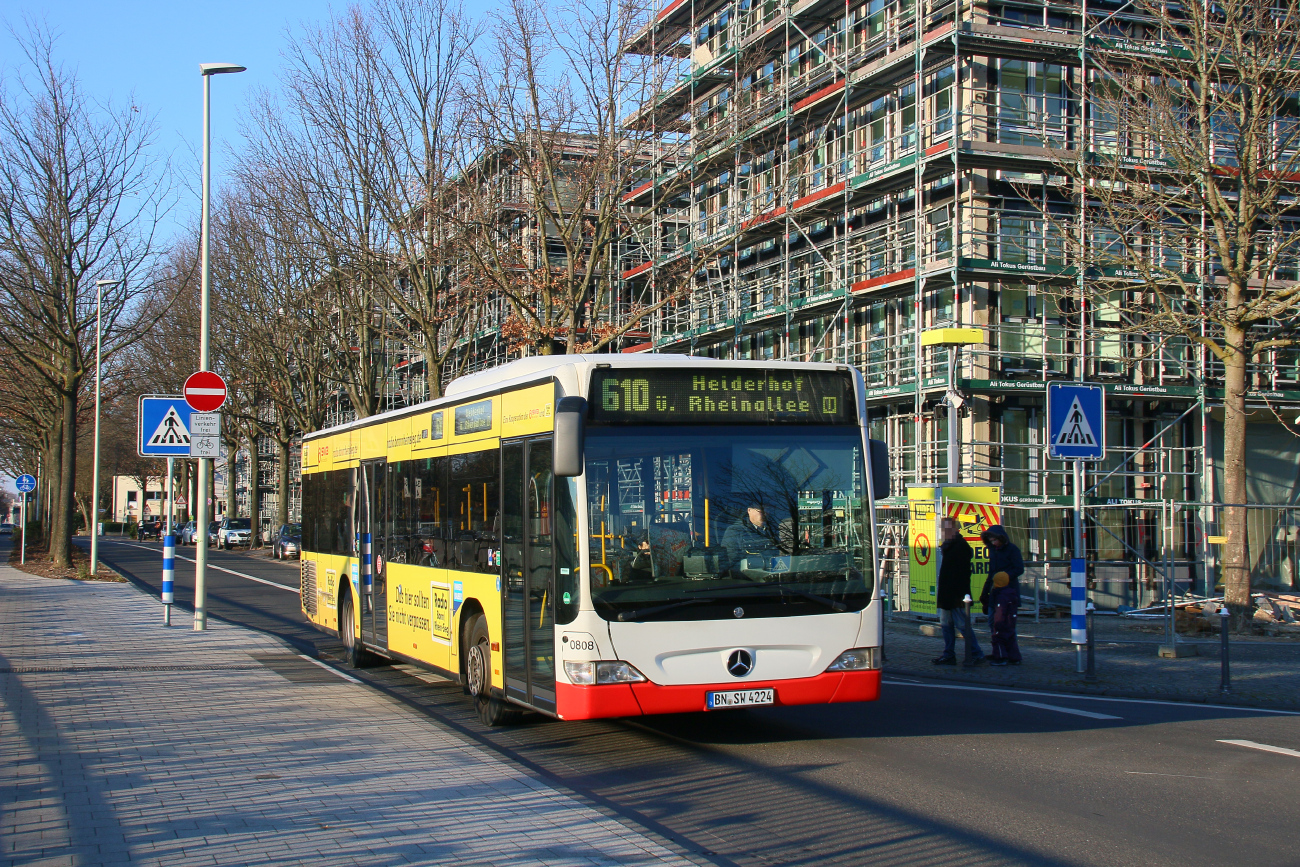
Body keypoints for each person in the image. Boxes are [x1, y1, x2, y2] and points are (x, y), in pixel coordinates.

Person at [932, 516, 985, 667]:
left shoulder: (961, 546)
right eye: (944, 528)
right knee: (946, 624)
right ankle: (949, 654)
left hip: (956, 594)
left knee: (962, 625)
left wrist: (959, 595)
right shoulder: (947, 546)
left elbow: (962, 574)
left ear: (956, 529)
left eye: (949, 528)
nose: (945, 531)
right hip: (947, 593)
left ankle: (975, 653)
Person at [979, 525, 1024, 665]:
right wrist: (985, 592)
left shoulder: (1012, 550)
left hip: (1008, 592)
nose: (993, 543)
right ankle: (998, 651)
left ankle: (1009, 654)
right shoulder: (994, 551)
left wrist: (1005, 576)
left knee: (1006, 624)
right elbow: (991, 573)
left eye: (994, 540)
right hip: (995, 591)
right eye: (991, 540)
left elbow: (1019, 568)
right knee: (994, 622)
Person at [723, 498, 780, 570]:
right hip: (748, 579)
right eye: (761, 510)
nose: (765, 513)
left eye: (767, 509)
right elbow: (732, 563)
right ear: (749, 510)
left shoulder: (776, 530)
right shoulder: (735, 531)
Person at [986, 571, 1021, 665]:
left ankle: (1001, 657)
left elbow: (1000, 611)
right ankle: (1014, 657)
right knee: (1011, 638)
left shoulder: (1000, 595)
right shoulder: (1011, 593)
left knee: (998, 638)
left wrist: (997, 623)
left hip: (1002, 621)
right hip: (1010, 620)